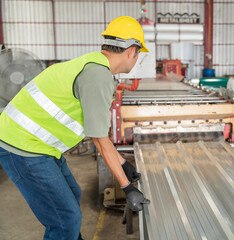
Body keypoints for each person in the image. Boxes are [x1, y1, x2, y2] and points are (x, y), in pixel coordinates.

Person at [0, 16, 150, 240]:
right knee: (65, 218)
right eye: (139, 54)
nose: (137, 60)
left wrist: (122, 164)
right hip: (23, 148)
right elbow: (100, 139)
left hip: (38, 146)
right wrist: (127, 187)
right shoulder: (97, 75)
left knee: (72, 195)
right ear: (131, 51)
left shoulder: (93, 64)